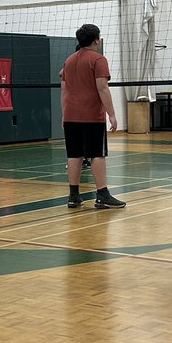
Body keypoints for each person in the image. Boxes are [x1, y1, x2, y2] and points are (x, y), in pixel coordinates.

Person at [60, 24, 125, 209]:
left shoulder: (69, 61)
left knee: (74, 155)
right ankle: (102, 194)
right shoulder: (98, 59)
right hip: (91, 116)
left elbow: (64, 91)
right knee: (97, 154)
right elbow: (102, 88)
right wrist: (112, 114)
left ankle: (73, 196)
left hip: (71, 116)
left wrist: (64, 113)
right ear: (96, 39)